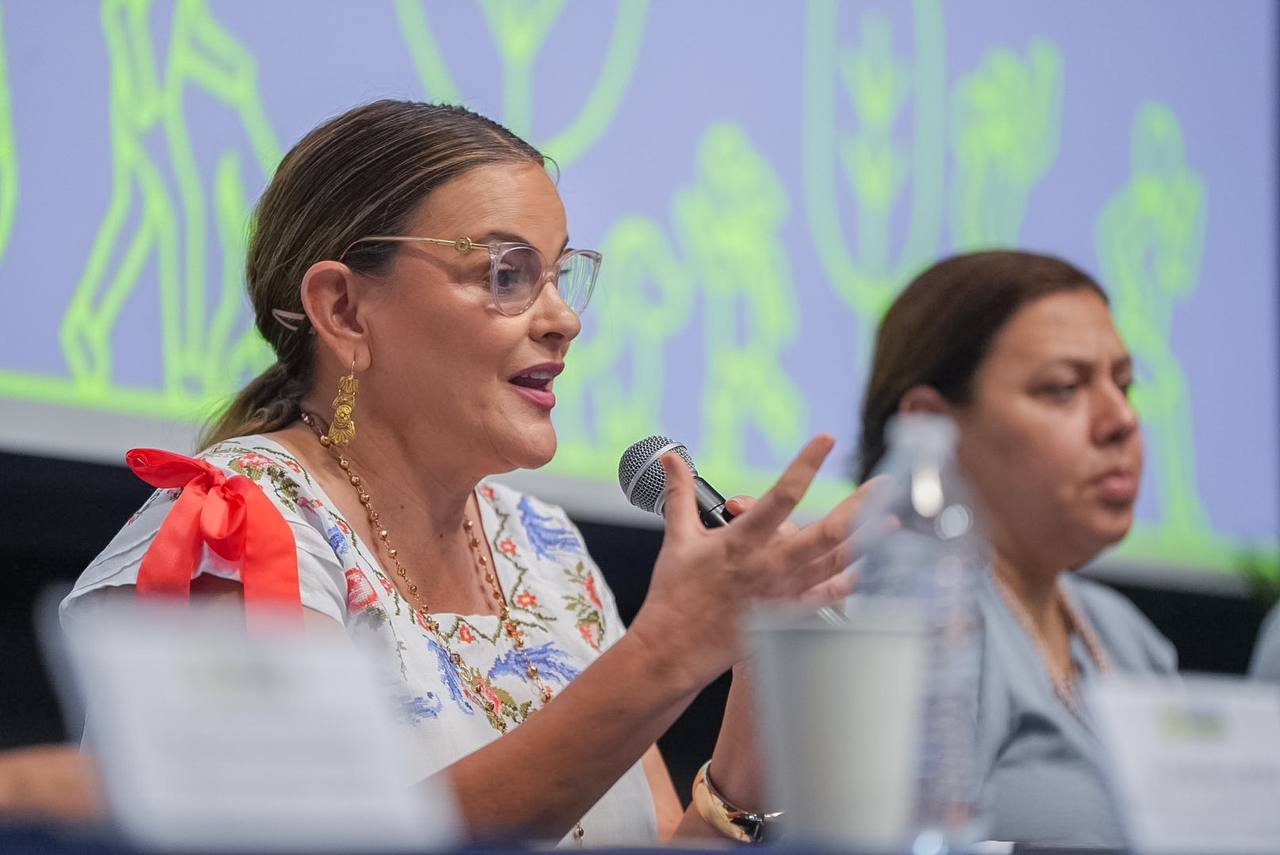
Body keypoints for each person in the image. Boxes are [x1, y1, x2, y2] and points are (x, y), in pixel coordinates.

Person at [61, 100, 866, 845]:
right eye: (506, 274)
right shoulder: (234, 533)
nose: (564, 319)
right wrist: (669, 650)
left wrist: (760, 704)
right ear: (343, 309)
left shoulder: (545, 546)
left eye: (560, 274)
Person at [855, 250, 1176, 847]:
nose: (1122, 420)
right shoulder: (921, 617)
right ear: (931, 425)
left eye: (1125, 384)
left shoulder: (1127, 636)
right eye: (1064, 389)